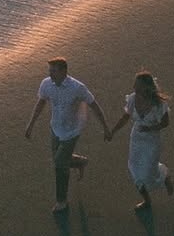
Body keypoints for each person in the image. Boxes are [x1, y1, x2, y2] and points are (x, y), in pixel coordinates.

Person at [24, 56, 111, 212]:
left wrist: (105, 127)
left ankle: (61, 201)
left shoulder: (77, 87)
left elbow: (94, 105)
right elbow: (41, 103)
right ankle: (79, 162)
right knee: (61, 160)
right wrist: (31, 124)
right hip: (55, 129)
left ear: (64, 71)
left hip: (72, 132)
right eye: (50, 71)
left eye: (54, 71)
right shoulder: (46, 84)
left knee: (59, 165)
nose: (51, 75)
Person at [107, 70, 174, 212]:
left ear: (146, 87)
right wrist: (113, 131)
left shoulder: (159, 104)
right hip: (136, 139)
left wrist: (150, 128)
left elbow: (165, 123)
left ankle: (165, 176)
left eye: (137, 85)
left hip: (152, 141)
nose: (134, 87)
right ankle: (146, 200)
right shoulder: (132, 98)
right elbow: (125, 117)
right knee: (135, 170)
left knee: (149, 172)